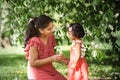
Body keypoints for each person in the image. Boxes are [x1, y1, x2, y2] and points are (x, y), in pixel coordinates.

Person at [24, 15, 67, 80]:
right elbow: (32, 63)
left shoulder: (51, 37)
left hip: (50, 70)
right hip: (37, 73)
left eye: (52, 27)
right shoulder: (35, 41)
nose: (52, 30)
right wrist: (51, 59)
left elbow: (50, 55)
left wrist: (61, 59)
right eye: (49, 29)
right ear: (41, 30)